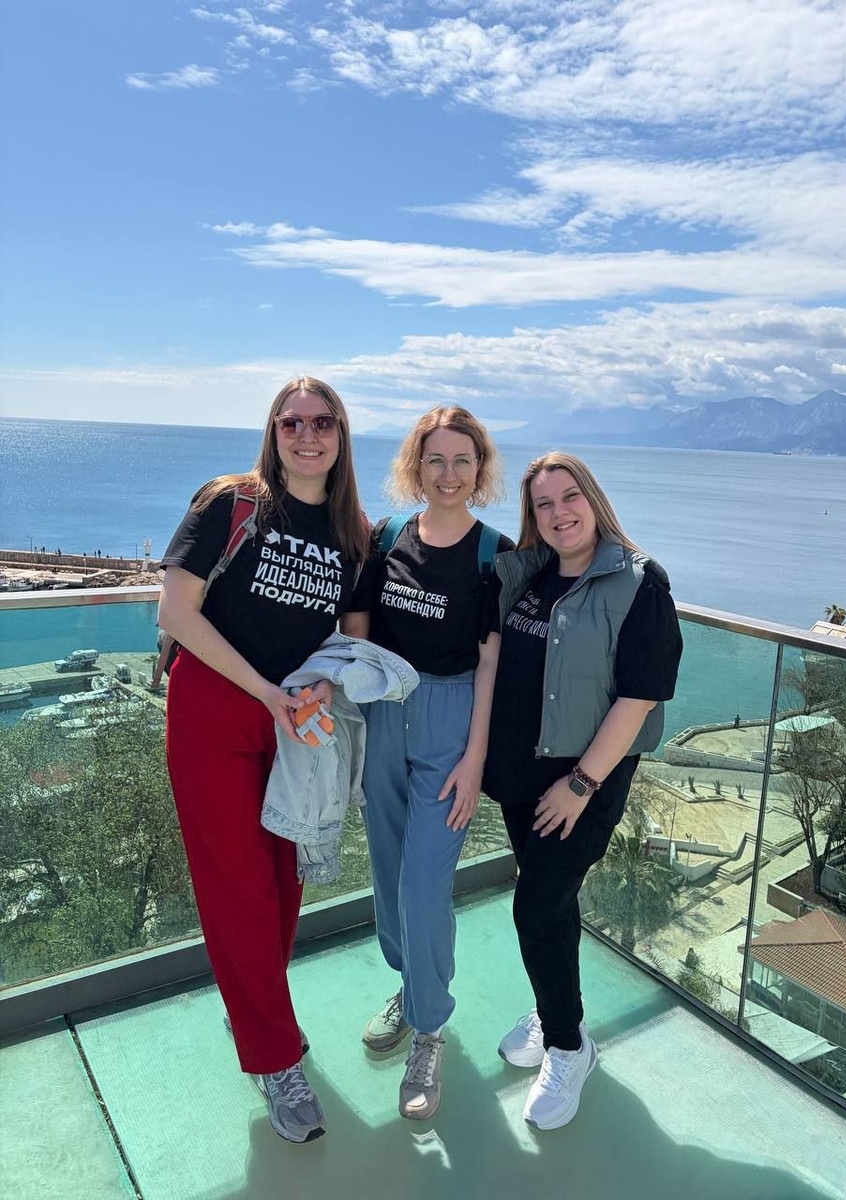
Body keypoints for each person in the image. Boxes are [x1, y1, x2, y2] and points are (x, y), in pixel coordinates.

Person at [159, 377, 370, 1144]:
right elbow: (175, 611)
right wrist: (266, 692)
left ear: (341, 435)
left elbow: (352, 634)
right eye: (292, 422)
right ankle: (275, 1058)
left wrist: (316, 689)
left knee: (285, 883)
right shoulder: (232, 503)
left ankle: (255, 1011)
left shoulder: (353, 533)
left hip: (296, 718)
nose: (307, 435)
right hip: (214, 711)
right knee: (238, 888)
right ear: (273, 431)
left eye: (323, 422)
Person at [482, 452, 682, 1131]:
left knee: (535, 907)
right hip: (522, 773)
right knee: (554, 901)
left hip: (581, 781)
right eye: (543, 503)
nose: (559, 512)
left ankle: (569, 1047)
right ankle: (554, 1009)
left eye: (570, 497)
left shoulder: (638, 582)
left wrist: (581, 783)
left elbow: (639, 695)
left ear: (592, 500)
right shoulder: (528, 574)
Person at [352, 406, 513, 1120]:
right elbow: (359, 631)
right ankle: (408, 984)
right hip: (384, 714)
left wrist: (475, 758)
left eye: (462, 461)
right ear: (415, 466)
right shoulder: (386, 538)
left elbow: (491, 664)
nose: (449, 474)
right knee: (387, 874)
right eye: (435, 459)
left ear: (480, 470)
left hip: (452, 721)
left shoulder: (494, 556)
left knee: (424, 884)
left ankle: (429, 1028)